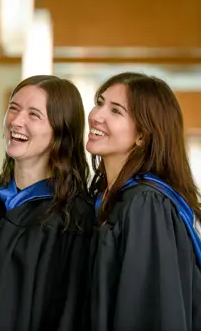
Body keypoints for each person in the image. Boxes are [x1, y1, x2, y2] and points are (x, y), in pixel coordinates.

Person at [86, 72, 201, 331]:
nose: (96, 115)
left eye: (115, 111)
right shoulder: (109, 199)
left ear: (142, 136)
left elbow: (147, 312)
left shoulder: (147, 205)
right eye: (100, 102)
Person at [0, 75, 96, 330]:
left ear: (61, 130)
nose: (17, 121)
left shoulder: (76, 219)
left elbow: (70, 314)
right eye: (13, 108)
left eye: (34, 115)